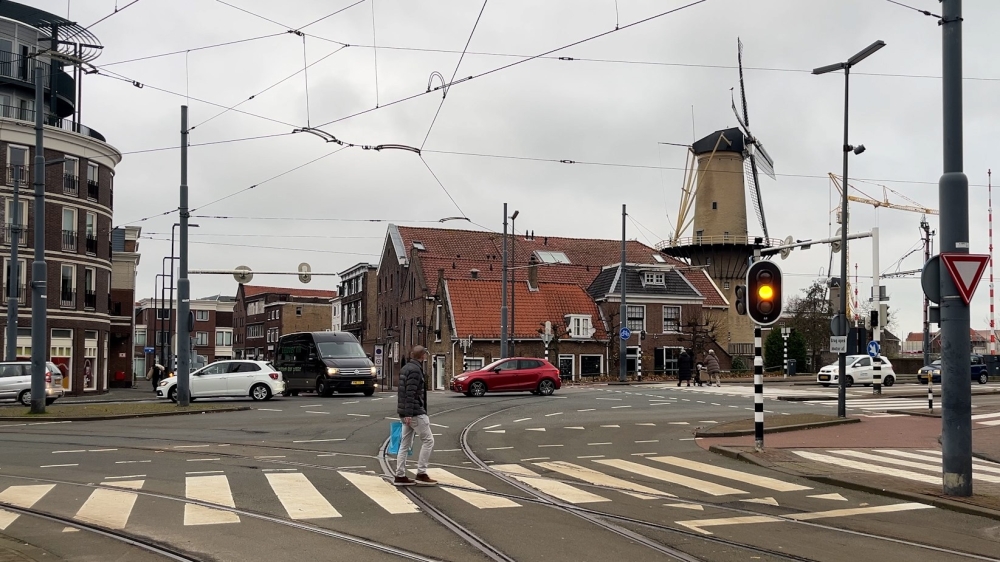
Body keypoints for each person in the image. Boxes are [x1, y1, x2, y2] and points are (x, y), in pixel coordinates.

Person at [394, 345, 436, 486]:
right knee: (428, 441)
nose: (426, 357)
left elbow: (403, 393)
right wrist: (409, 414)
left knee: (405, 444)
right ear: (422, 356)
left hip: (406, 412)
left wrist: (405, 413)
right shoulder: (415, 370)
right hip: (415, 413)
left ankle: (400, 475)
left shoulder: (406, 368)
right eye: (425, 355)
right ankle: (421, 473)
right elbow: (410, 393)